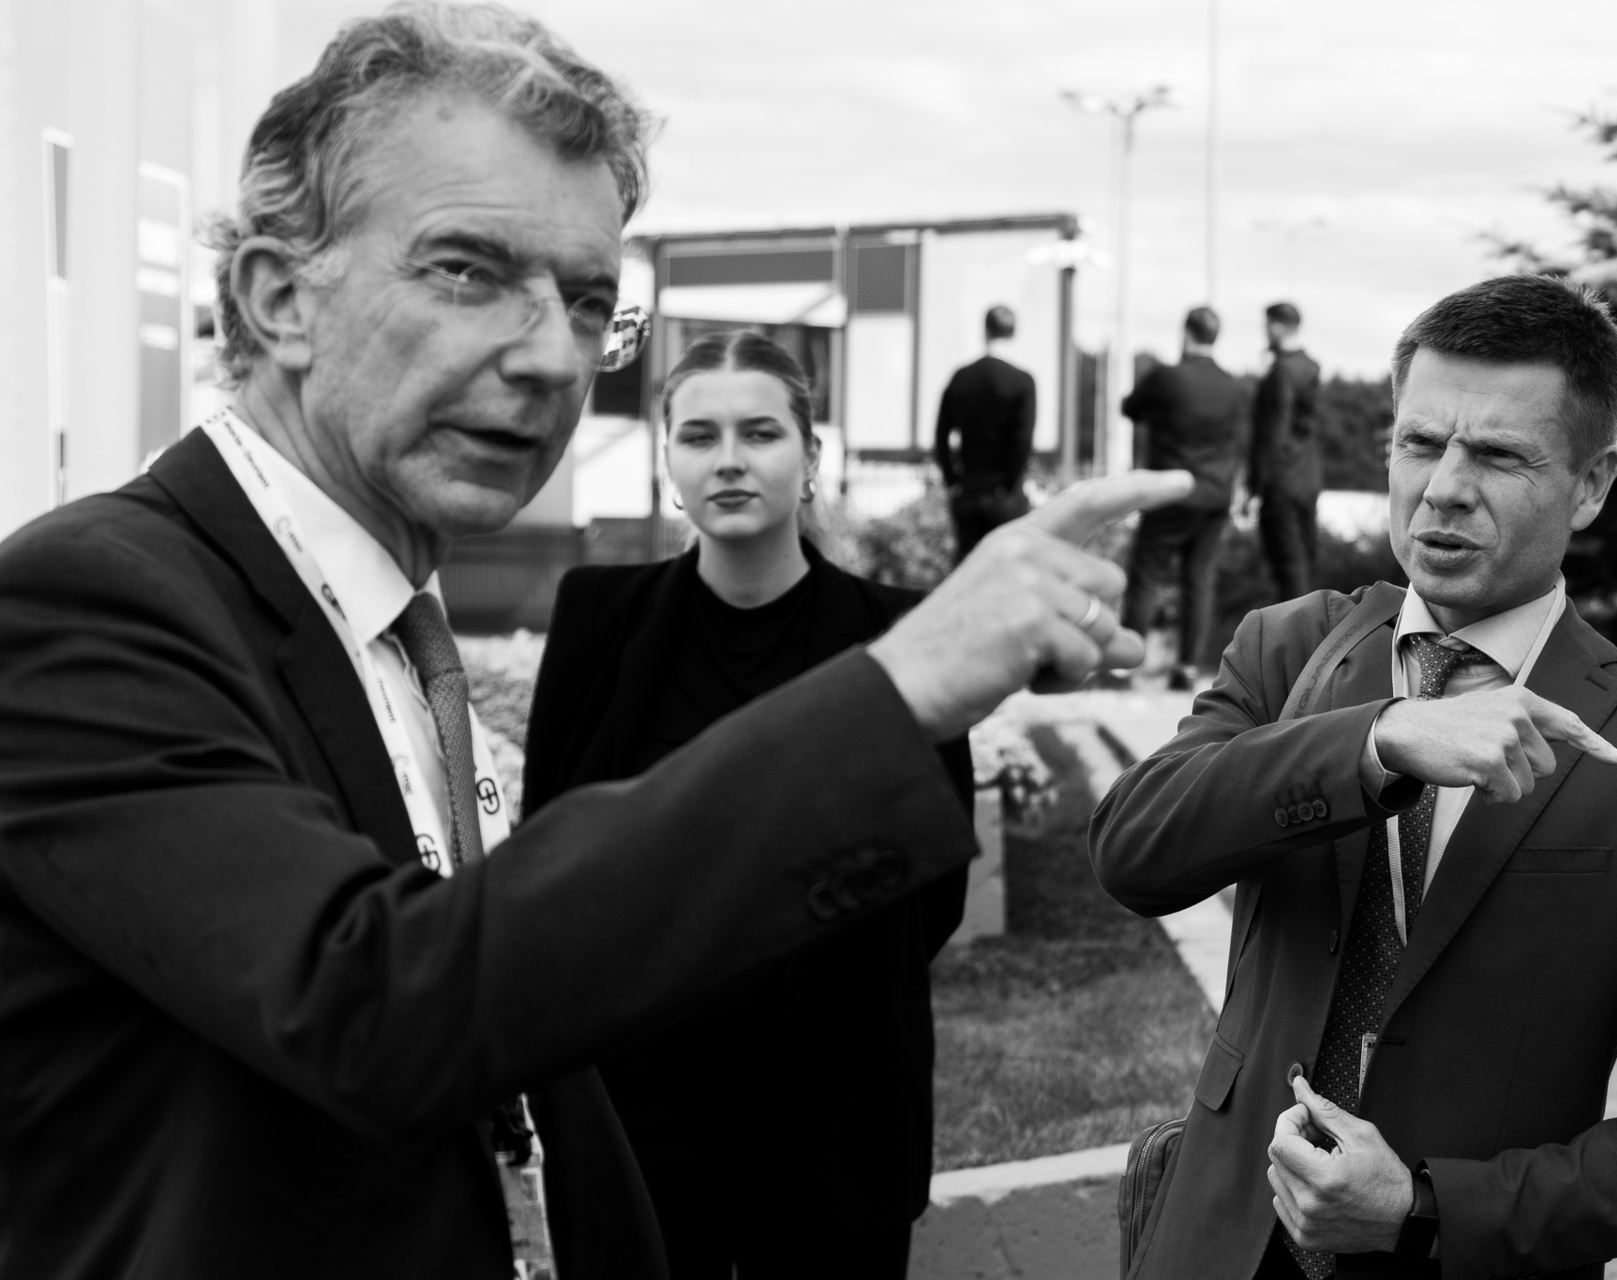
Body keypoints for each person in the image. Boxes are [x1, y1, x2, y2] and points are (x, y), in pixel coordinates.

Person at [0, 8, 1191, 1280]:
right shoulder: (83, 605)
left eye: (587, 303)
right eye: (468, 272)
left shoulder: (394, 624)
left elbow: (516, 1042)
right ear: (279, 298)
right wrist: (900, 689)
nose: (551, 358)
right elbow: (381, 1002)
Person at [1091, 275, 1617, 1279]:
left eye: (1497, 454)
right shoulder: (1290, 653)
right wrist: (1380, 739)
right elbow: (1132, 849)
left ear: (1591, 484)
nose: (1444, 487)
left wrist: (1419, 1207)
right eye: (1419, 442)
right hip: (1219, 1244)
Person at [521, 330, 971, 1280]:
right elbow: (551, 854)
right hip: (641, 1106)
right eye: (700, 436)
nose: (728, 459)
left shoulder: (900, 633)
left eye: (760, 433)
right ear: (670, 464)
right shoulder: (598, 618)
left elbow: (934, 890)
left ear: (811, 459)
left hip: (837, 1109)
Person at [1119, 305, 1249, 690]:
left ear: (1186, 332)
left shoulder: (1167, 378)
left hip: (1172, 491)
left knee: (1146, 574)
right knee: (1199, 580)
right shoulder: (1233, 386)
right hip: (1215, 496)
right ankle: (1187, 668)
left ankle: (1127, 663)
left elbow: (1130, 407)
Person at [932, 304, 1037, 559]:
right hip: (1004, 496)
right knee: (1008, 568)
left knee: (968, 567)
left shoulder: (961, 377)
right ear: (1014, 333)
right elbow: (1022, 440)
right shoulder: (1022, 381)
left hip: (968, 490)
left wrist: (953, 480)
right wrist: (1009, 484)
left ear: (986, 331)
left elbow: (941, 435)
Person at [1250, 301, 1324, 601]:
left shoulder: (1282, 372)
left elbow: (1273, 433)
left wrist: (1256, 486)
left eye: (1266, 326)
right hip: (1308, 479)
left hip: (1281, 482)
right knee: (1305, 560)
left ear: (1277, 326)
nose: (1264, 332)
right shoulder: (1311, 366)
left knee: (1288, 568)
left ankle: (1298, 629)